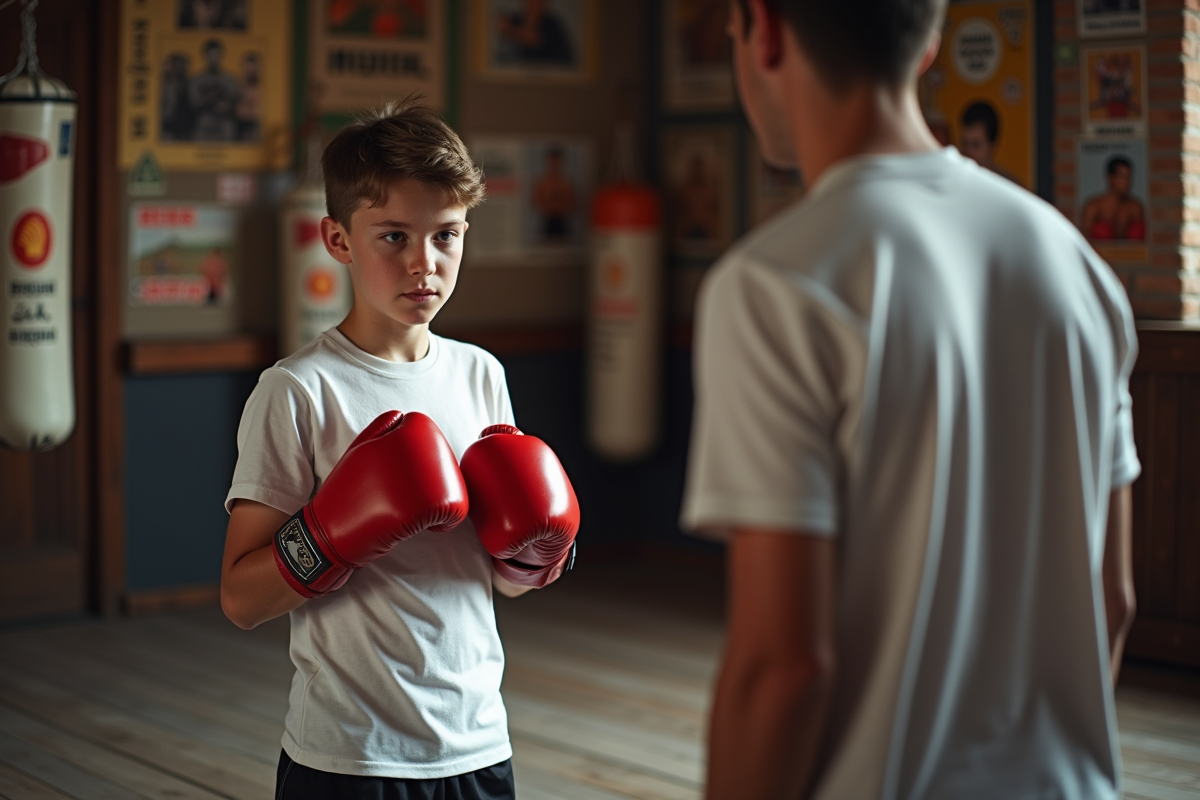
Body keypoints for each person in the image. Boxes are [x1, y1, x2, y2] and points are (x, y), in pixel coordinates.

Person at [680, 1, 1139, 799]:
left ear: (766, 29)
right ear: (928, 46)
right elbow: (1113, 599)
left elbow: (784, 668)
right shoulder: (1076, 265)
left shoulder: (774, 284)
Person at [220, 97, 579, 800]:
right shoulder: (298, 391)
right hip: (350, 754)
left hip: (478, 740)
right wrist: (334, 533)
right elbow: (240, 598)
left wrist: (537, 555)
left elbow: (503, 578)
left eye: (447, 236)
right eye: (393, 236)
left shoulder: (481, 374)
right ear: (337, 239)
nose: (424, 263)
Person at [1082, 155, 1146, 241]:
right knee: (1102, 231)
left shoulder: (1134, 208)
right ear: (1111, 178)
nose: (1127, 182)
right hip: (1097, 250)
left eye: (1129, 177)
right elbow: (1083, 239)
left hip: (1127, 250)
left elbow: (1143, 242)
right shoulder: (1094, 207)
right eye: (1123, 177)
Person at [958, 100, 1020, 185]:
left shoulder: (1009, 187)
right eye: (964, 143)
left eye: (976, 145)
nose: (969, 151)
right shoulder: (953, 182)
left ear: (993, 146)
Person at [531, 146, 577, 241]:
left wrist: (554, 204)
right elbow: (536, 204)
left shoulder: (567, 183)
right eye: (552, 163)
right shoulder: (542, 183)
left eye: (557, 163)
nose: (555, 166)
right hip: (547, 222)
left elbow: (573, 205)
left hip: (563, 222)